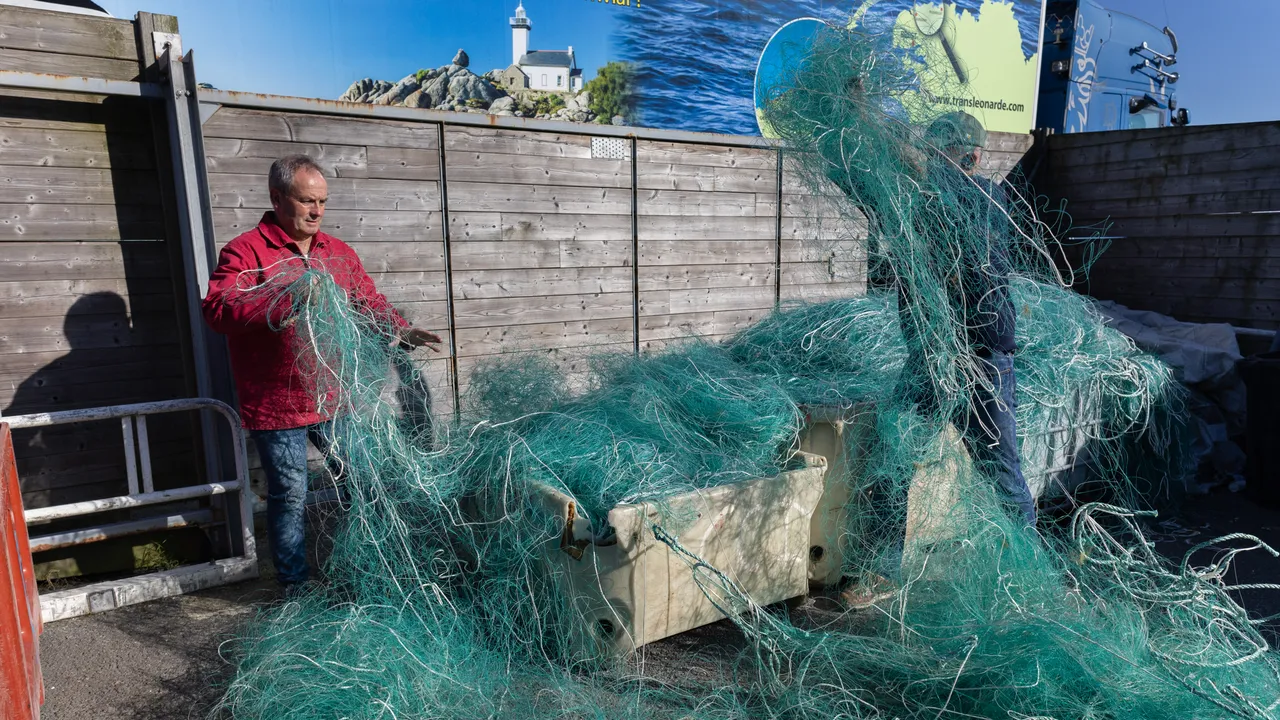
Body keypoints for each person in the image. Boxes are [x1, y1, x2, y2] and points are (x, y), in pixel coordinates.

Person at [202, 155, 441, 590]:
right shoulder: (245, 252)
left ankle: (364, 569)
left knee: (363, 483)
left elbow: (369, 302)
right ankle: (294, 588)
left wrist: (401, 331)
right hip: (278, 404)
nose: (316, 211)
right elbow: (218, 309)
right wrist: (282, 298)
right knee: (289, 496)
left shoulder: (338, 253)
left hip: (335, 395)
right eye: (307, 201)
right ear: (277, 198)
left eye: (323, 202)